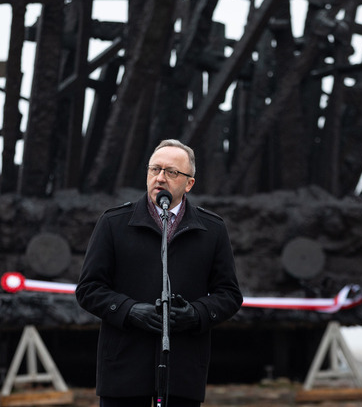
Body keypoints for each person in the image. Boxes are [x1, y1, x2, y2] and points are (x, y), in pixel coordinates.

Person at [76, 139, 242, 407]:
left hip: (183, 370)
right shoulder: (113, 223)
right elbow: (88, 289)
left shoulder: (212, 229)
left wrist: (196, 314)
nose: (160, 178)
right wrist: (129, 310)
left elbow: (229, 295)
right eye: (155, 169)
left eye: (171, 172)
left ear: (189, 183)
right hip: (124, 368)